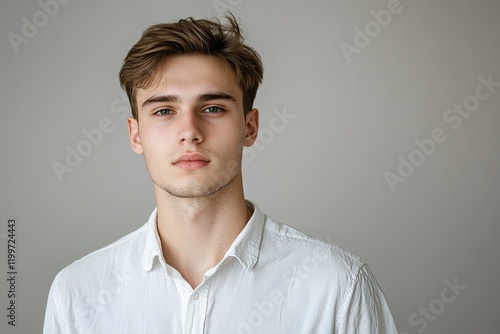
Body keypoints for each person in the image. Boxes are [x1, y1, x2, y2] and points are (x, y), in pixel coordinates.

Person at [43, 14, 398, 334]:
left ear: (249, 126)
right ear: (136, 134)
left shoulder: (337, 286)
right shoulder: (76, 293)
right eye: (164, 110)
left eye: (212, 108)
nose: (190, 131)